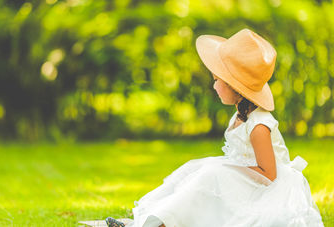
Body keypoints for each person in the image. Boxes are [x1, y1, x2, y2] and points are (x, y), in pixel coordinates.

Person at [105, 29, 324, 227]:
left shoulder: (259, 125)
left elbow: (269, 174)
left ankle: (160, 224)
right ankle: (154, 220)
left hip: (266, 188)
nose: (213, 85)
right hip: (248, 178)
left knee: (211, 174)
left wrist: (227, 173)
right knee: (195, 172)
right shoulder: (241, 113)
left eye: (217, 79)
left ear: (236, 87)